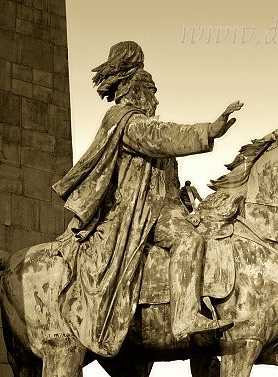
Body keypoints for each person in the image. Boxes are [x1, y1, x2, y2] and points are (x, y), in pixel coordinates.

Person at [53, 41, 242, 357]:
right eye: (151, 91)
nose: (156, 98)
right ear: (135, 92)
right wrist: (210, 129)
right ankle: (184, 316)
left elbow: (163, 179)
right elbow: (163, 136)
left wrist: (182, 198)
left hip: (166, 208)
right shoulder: (126, 121)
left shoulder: (135, 122)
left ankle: (205, 352)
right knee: (191, 241)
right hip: (141, 213)